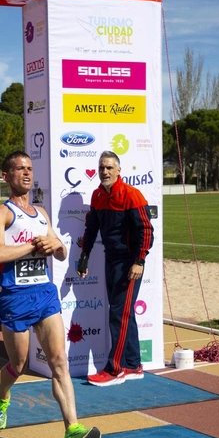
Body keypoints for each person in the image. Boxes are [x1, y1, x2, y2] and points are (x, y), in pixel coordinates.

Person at [0, 151, 100, 438]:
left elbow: (61, 252)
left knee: (59, 361)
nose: (26, 173)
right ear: (6, 176)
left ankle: (72, 429)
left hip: (44, 295)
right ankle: (2, 395)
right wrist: (30, 247)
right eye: (19, 169)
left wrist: (57, 246)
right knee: (19, 364)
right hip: (15, 298)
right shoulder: (0, 213)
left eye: (29, 168)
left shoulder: (41, 213)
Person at [77, 151, 154, 386]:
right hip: (110, 260)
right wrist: (84, 257)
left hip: (130, 263)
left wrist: (139, 261)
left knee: (118, 314)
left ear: (119, 170)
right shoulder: (98, 195)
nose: (105, 172)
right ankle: (133, 365)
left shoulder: (131, 195)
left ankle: (116, 369)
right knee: (123, 313)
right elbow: (91, 229)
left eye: (109, 167)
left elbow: (146, 230)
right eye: (101, 168)